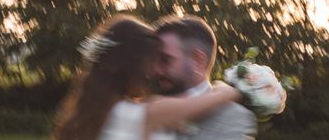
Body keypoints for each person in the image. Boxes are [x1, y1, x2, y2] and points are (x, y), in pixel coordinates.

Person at [51, 15, 243, 140]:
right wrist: (227, 88)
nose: (152, 71)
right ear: (131, 65)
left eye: (164, 60)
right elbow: (223, 95)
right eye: (151, 61)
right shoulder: (145, 112)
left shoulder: (95, 112)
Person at [154, 15, 257, 139]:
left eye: (165, 60)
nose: (156, 70)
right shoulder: (148, 110)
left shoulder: (234, 117)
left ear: (198, 60)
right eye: (154, 60)